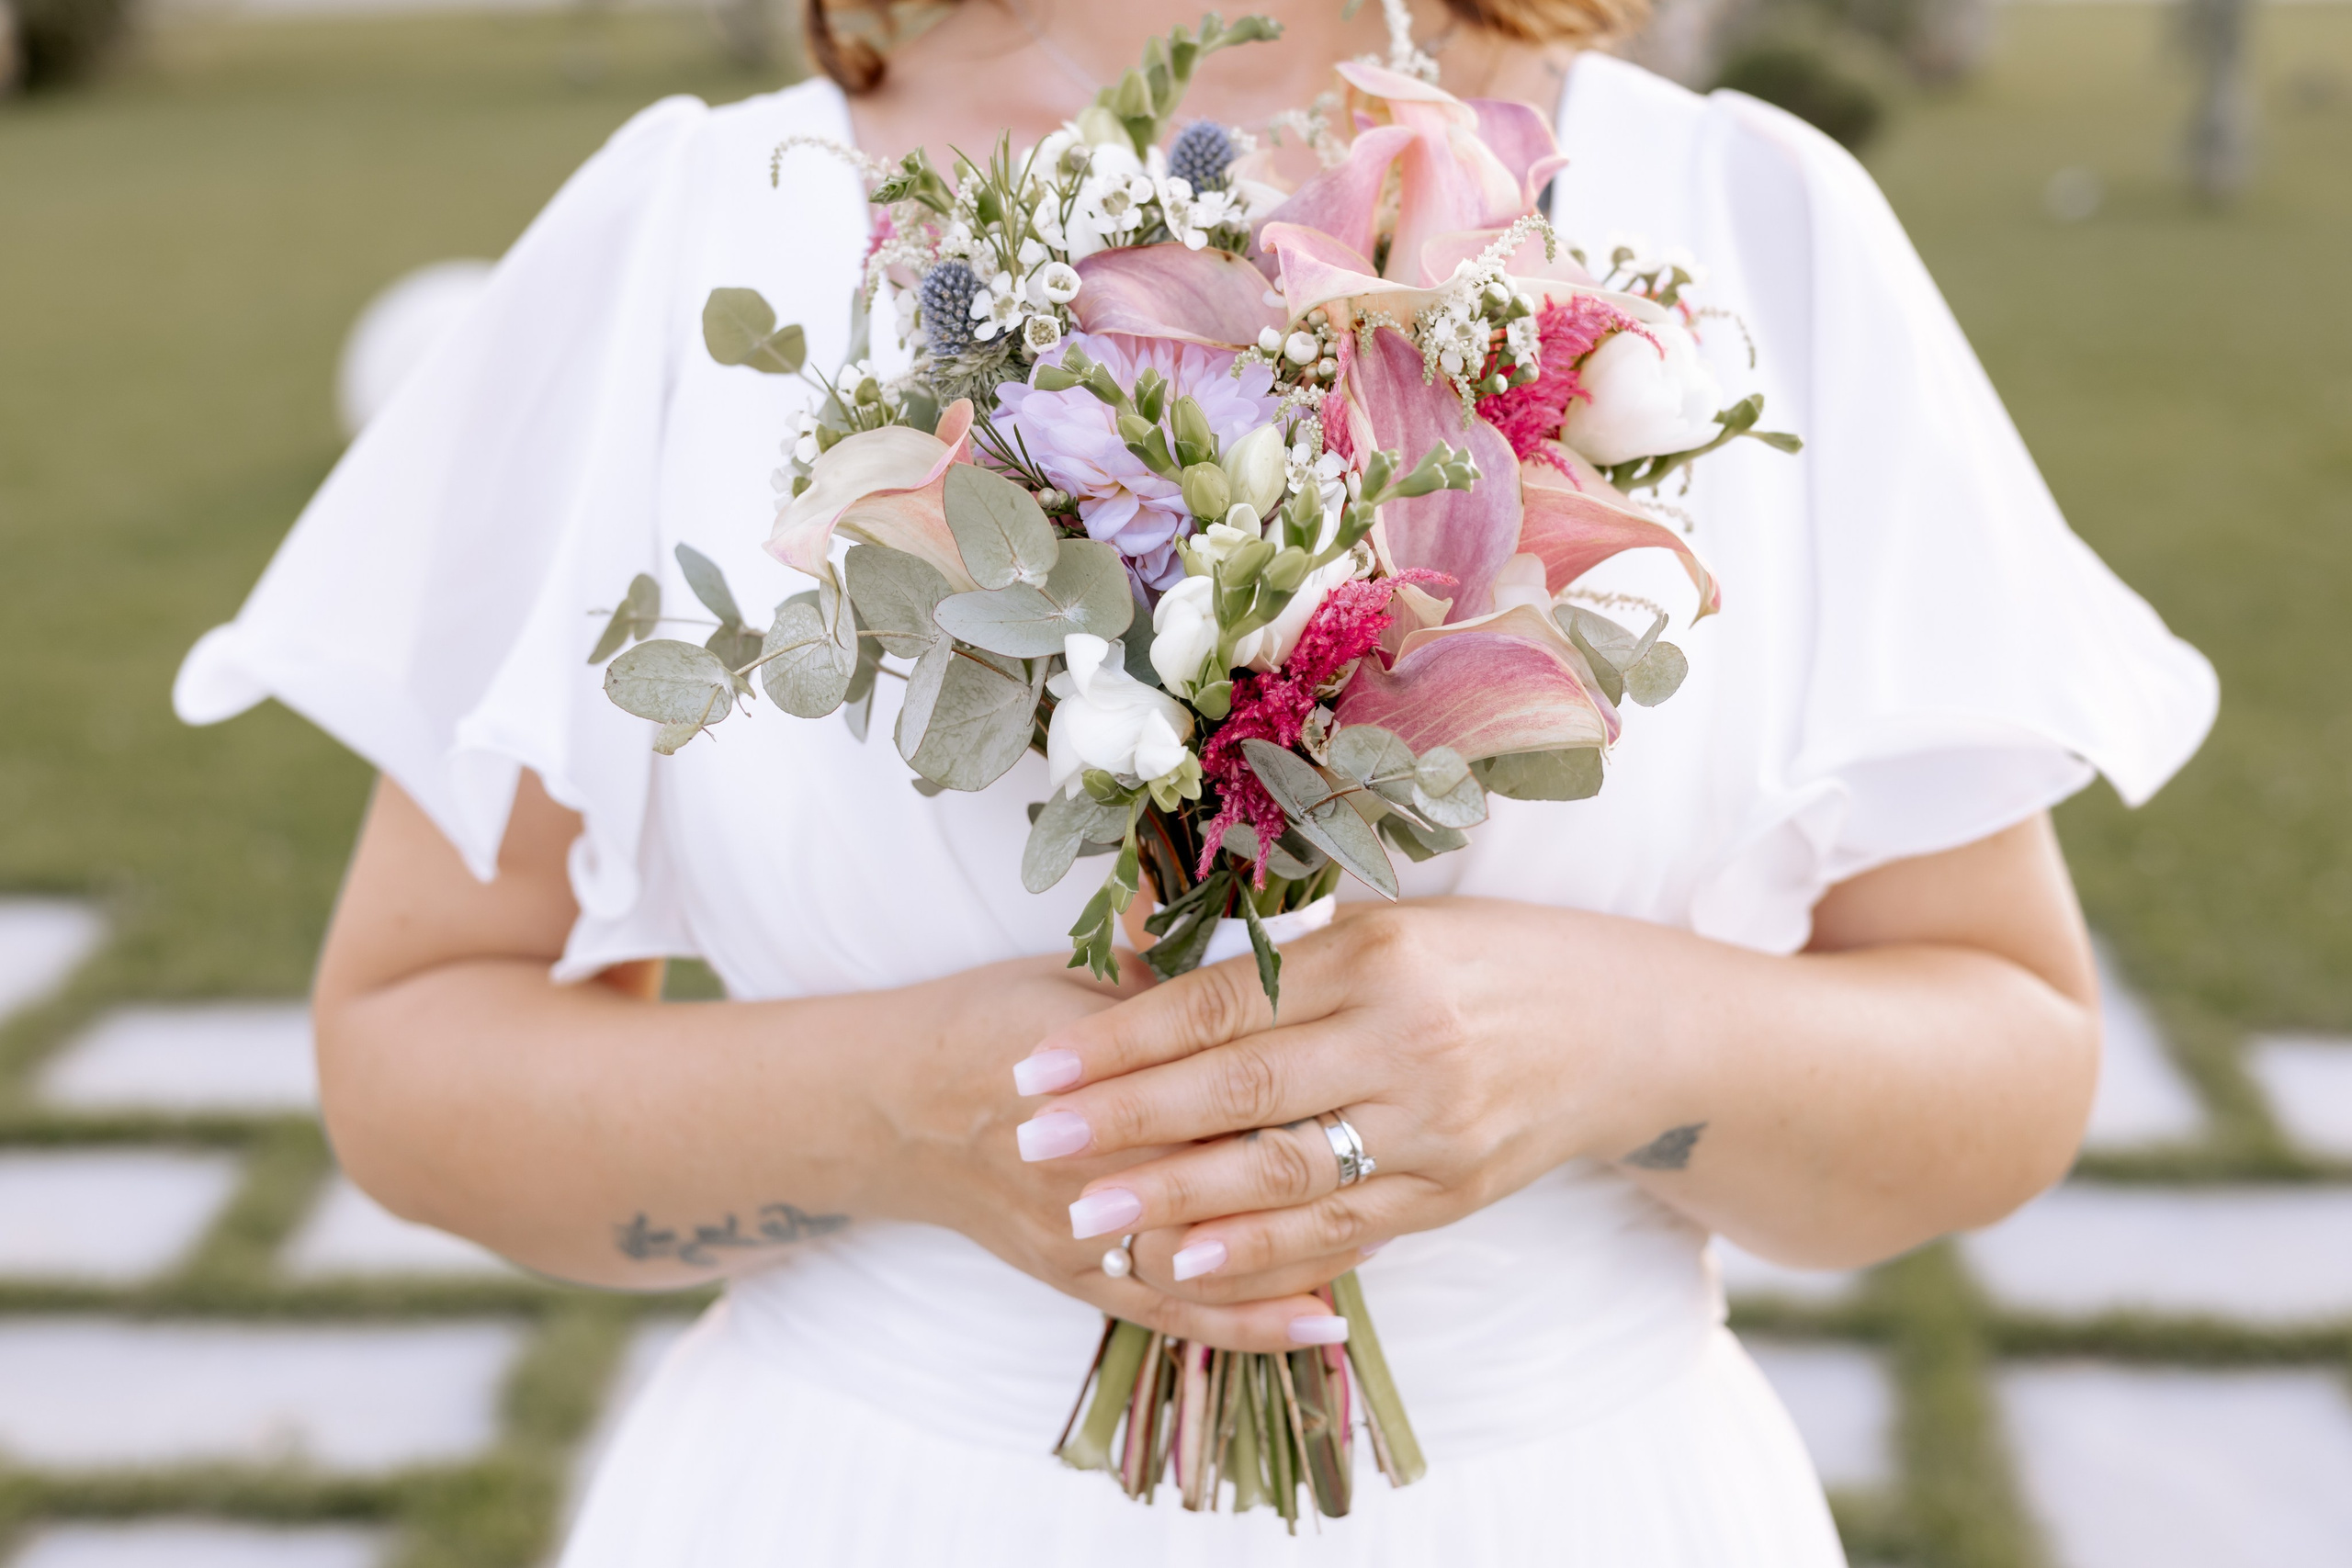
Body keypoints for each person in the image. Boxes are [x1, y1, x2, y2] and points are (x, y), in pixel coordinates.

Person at [173, 0, 2217, 1560]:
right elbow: (415, 1038)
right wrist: (894, 1114)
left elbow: (2004, 1040)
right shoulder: (690, 231)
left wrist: (1603, 1051)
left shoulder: (1744, 224)